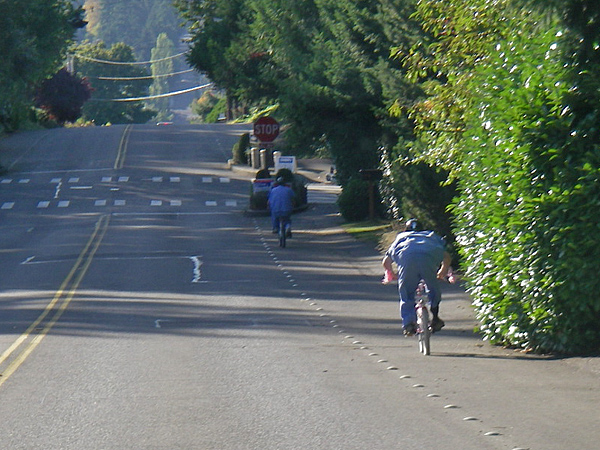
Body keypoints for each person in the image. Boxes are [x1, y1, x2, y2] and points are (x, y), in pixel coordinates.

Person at [382, 219, 451, 336]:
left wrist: (391, 273)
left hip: (407, 260)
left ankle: (408, 324)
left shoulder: (401, 237)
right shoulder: (431, 236)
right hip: (428, 259)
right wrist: (442, 272)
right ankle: (435, 318)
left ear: (406, 229)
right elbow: (447, 257)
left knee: (407, 293)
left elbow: (386, 262)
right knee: (433, 289)